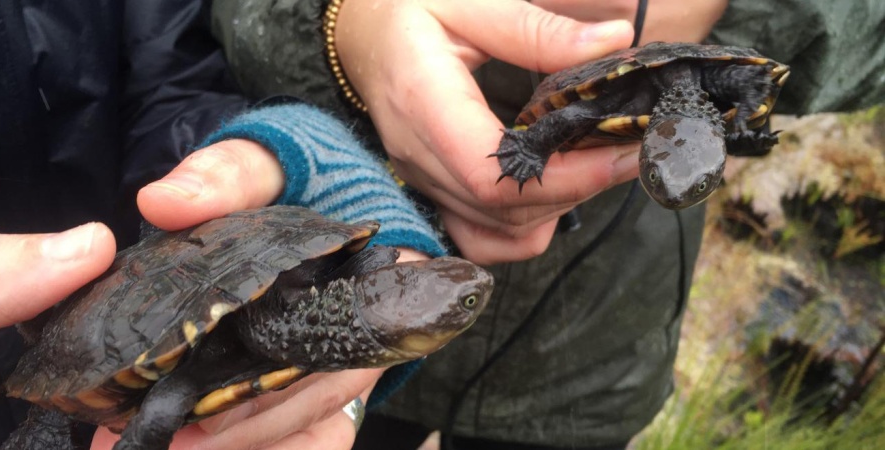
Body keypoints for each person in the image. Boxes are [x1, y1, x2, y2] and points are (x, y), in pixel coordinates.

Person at [211, 0, 885, 449]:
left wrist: (738, 9)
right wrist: (346, 22)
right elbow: (564, 114)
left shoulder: (711, 102)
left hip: (589, 350)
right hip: (376, 293)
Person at [0, 1, 448, 449]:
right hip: (87, 336)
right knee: (119, 415)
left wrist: (291, 152)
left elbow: (171, 84)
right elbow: (162, 406)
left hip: (176, 251)